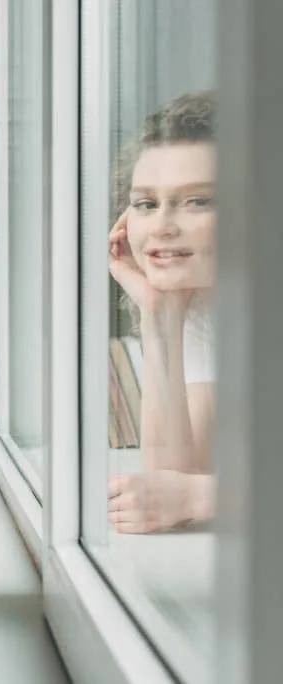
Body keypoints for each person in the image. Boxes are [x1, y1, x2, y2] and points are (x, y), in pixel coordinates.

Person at [106, 90, 217, 534]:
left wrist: (203, 495)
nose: (163, 226)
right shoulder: (204, 305)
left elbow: (190, 492)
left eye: (198, 201)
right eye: (146, 204)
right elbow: (172, 479)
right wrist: (160, 315)